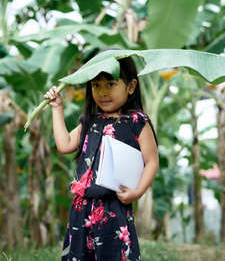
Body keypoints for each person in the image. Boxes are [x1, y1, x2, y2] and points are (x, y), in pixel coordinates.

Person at [44, 56, 159, 261]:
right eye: (96, 85)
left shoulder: (136, 121)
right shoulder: (90, 120)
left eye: (111, 84)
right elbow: (65, 144)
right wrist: (56, 109)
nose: (103, 91)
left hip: (113, 206)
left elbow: (151, 161)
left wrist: (137, 192)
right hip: (81, 208)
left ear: (131, 86)